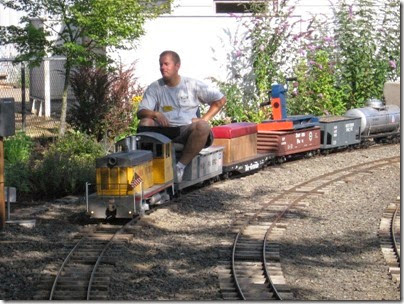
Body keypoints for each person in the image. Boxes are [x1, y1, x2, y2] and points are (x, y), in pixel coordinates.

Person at [137, 50, 226, 182]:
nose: (162, 68)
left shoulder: (192, 85)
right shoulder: (155, 87)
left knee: (203, 126)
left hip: (186, 130)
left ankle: (179, 167)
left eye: (166, 64)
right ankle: (144, 165)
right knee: (145, 122)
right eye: (161, 64)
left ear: (177, 66)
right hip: (164, 130)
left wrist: (203, 119)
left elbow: (220, 99)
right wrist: (154, 113)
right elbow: (141, 112)